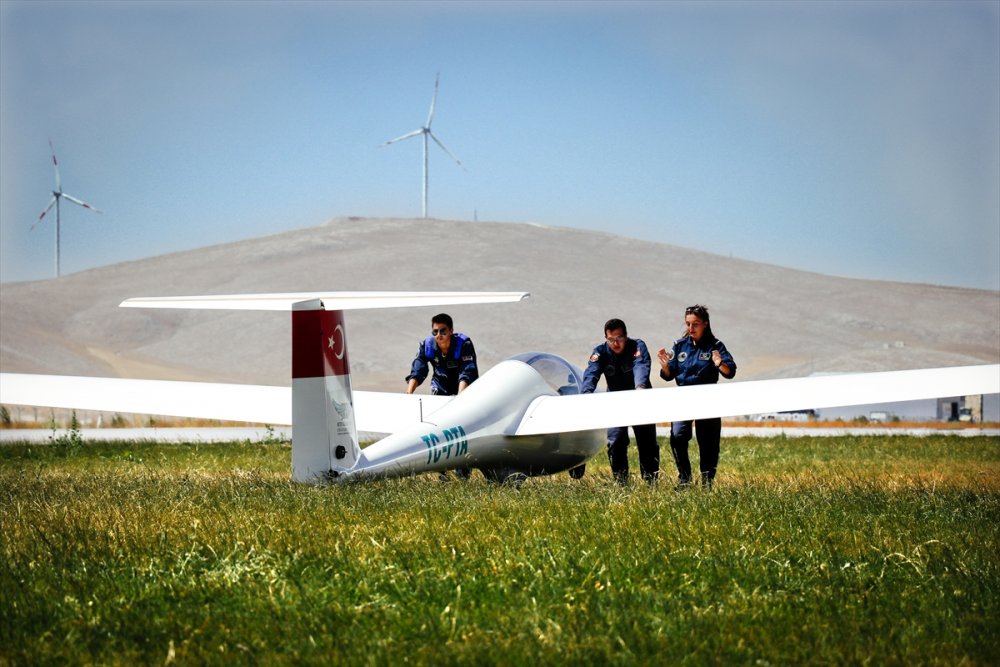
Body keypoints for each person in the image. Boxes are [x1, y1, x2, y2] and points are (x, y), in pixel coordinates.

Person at [657, 304, 737, 489]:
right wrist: (665, 365)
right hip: (683, 397)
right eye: (688, 324)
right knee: (677, 436)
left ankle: (706, 484)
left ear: (705, 324)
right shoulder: (679, 345)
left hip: (707, 398)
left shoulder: (715, 345)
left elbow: (730, 371)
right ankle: (684, 478)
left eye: (696, 324)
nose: (691, 328)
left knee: (708, 442)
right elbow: (669, 375)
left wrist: (719, 363)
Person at [573, 318, 659, 485]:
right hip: (615, 402)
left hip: (639, 399)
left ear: (625, 336)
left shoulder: (637, 346)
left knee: (647, 443)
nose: (615, 343)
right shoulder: (600, 352)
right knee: (616, 441)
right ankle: (621, 482)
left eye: (619, 338)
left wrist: (640, 388)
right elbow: (591, 373)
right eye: (611, 339)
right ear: (606, 338)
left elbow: (641, 366)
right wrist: (586, 394)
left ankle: (651, 482)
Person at [406, 313, 478, 479]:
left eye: (443, 331)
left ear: (451, 331)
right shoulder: (428, 345)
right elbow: (419, 368)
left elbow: (467, 371)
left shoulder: (463, 344)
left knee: (462, 426)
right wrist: (409, 393)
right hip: (441, 385)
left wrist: (460, 398)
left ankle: (463, 469)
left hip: (464, 388)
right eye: (435, 331)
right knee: (438, 426)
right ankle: (442, 470)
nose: (439, 335)